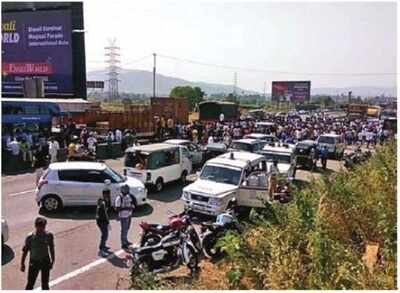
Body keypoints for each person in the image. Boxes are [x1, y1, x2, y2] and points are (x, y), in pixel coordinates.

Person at [21, 217, 55, 290]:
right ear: (36, 226)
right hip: (34, 262)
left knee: (45, 284)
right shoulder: (30, 237)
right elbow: (25, 251)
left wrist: (53, 260)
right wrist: (22, 263)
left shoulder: (49, 235)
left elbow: (51, 248)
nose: (42, 229)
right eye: (40, 227)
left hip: (45, 261)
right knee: (30, 284)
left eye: (43, 227)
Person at [114, 184, 134, 249]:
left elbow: (131, 203)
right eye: (126, 190)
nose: (128, 191)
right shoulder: (119, 198)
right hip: (123, 216)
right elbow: (117, 208)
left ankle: (126, 240)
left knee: (127, 229)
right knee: (124, 230)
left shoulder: (128, 196)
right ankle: (123, 244)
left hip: (129, 215)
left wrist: (132, 206)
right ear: (123, 190)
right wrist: (127, 208)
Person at [96, 189, 111, 257]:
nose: (109, 196)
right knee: (105, 235)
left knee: (105, 234)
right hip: (101, 221)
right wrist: (108, 222)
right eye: (108, 195)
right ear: (105, 195)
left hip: (101, 220)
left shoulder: (103, 201)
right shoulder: (103, 203)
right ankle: (101, 250)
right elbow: (105, 214)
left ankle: (103, 246)